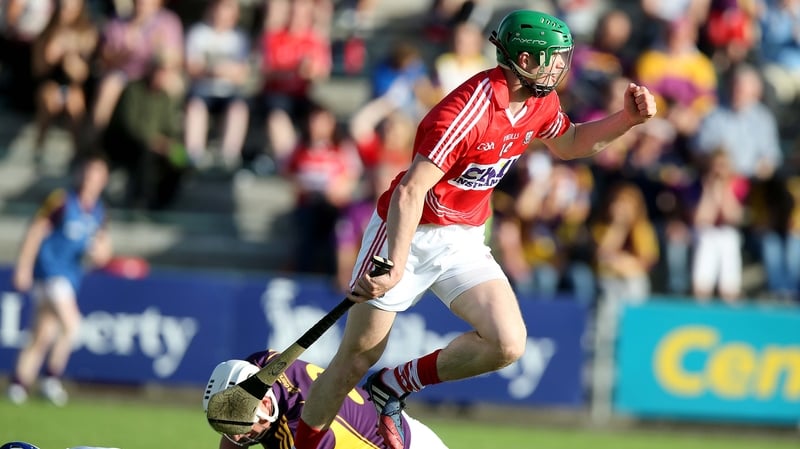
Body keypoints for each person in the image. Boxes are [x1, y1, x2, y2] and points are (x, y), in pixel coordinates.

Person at [293, 9, 657, 449]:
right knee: (355, 358)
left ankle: (392, 387)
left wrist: (627, 122)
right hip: (408, 231)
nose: (561, 67)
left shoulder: (540, 101)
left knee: (508, 343)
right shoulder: (466, 111)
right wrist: (395, 263)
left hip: (463, 237)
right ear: (524, 60)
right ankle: (305, 440)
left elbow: (570, 143)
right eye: (553, 59)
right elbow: (410, 192)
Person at [6, 154, 113, 406]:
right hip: (51, 273)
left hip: (70, 278)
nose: (90, 180)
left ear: (103, 180)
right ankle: (51, 379)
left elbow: (104, 251)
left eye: (96, 176)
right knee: (72, 324)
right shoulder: (62, 201)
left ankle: (19, 383)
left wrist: (99, 254)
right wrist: (23, 266)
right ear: (79, 175)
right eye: (87, 174)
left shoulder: (98, 212)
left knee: (41, 334)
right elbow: (35, 230)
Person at [202, 350, 449, 449]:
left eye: (242, 427)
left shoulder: (302, 428)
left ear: (266, 404)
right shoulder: (259, 366)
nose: (235, 437)